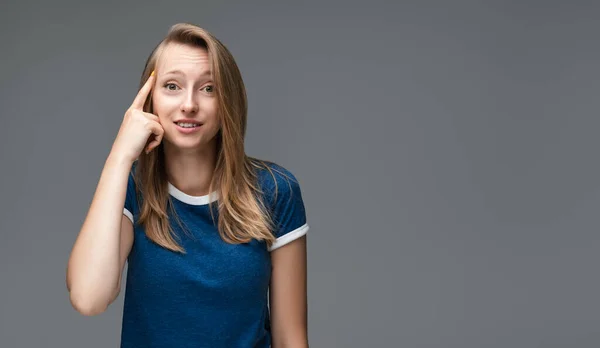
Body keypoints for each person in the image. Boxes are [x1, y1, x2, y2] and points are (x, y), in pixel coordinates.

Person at [66, 23, 309, 348]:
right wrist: (120, 155)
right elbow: (88, 298)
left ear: (228, 102)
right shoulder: (131, 188)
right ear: (149, 99)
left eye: (208, 88)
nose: (189, 104)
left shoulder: (276, 190)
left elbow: (290, 337)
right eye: (172, 86)